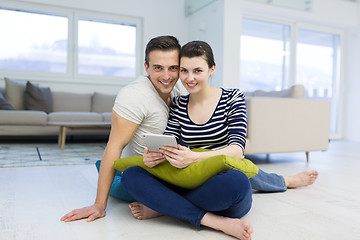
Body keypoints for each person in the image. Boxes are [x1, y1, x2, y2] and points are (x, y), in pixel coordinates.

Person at [61, 35, 318, 224]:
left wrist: (197, 155)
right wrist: (100, 204)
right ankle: (207, 218)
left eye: (176, 68)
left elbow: (230, 151)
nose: (174, 76)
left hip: (197, 172)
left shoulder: (206, 91)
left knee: (233, 175)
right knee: (132, 176)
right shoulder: (155, 98)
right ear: (146, 67)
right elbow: (124, 147)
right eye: (161, 68)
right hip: (168, 175)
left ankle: (165, 208)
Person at [122, 40, 253, 240]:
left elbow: (237, 150)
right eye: (184, 71)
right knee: (131, 175)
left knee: (238, 183)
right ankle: (213, 221)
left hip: (220, 185)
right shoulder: (179, 103)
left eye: (197, 71)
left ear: (212, 69)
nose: (189, 78)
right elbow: (168, 143)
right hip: (188, 180)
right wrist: (153, 157)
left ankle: (165, 207)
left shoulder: (233, 98)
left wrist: (193, 157)